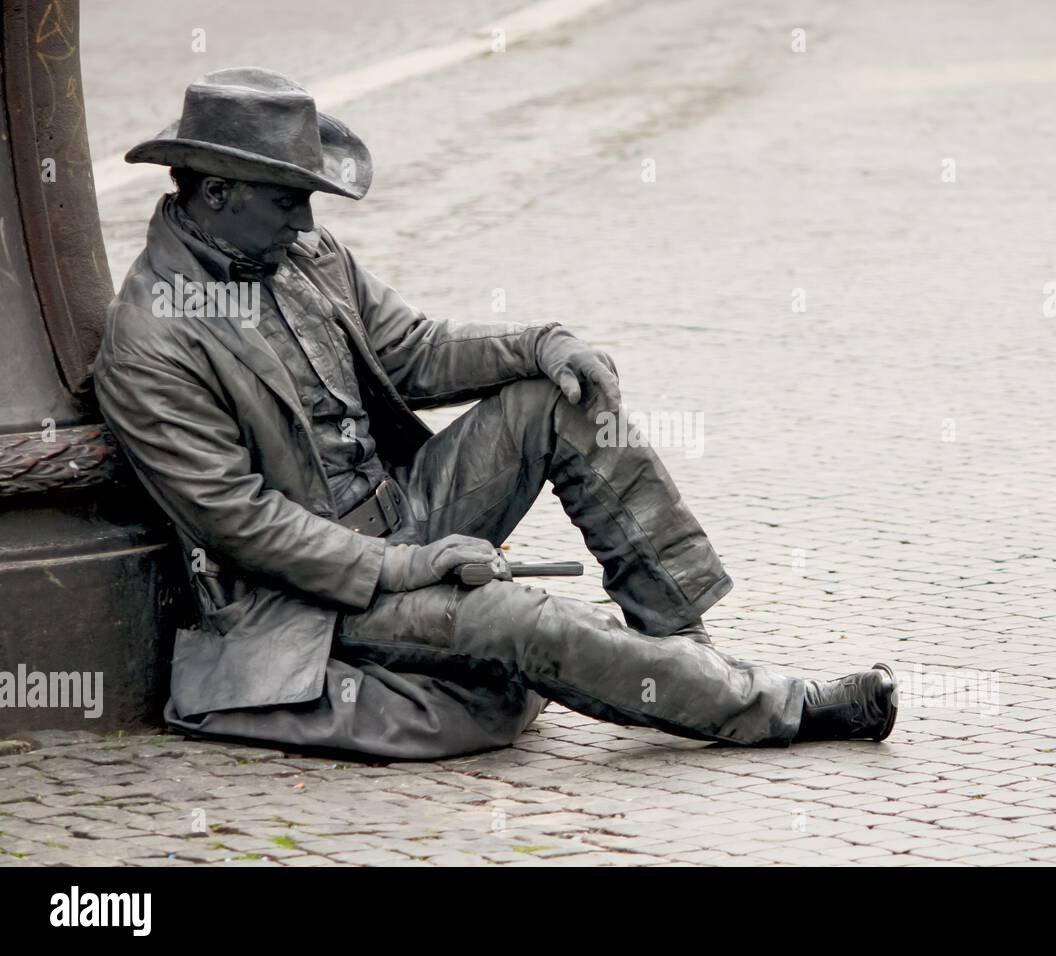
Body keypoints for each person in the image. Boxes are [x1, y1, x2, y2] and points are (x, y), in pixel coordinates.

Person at [93, 67, 898, 760]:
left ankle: (683, 656)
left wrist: (540, 343)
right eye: (286, 200)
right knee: (516, 619)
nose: (307, 220)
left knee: (563, 400)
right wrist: (412, 566)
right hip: (312, 597)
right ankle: (781, 706)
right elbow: (244, 526)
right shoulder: (151, 342)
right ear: (215, 190)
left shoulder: (302, 255)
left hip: (404, 511)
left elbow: (411, 350)